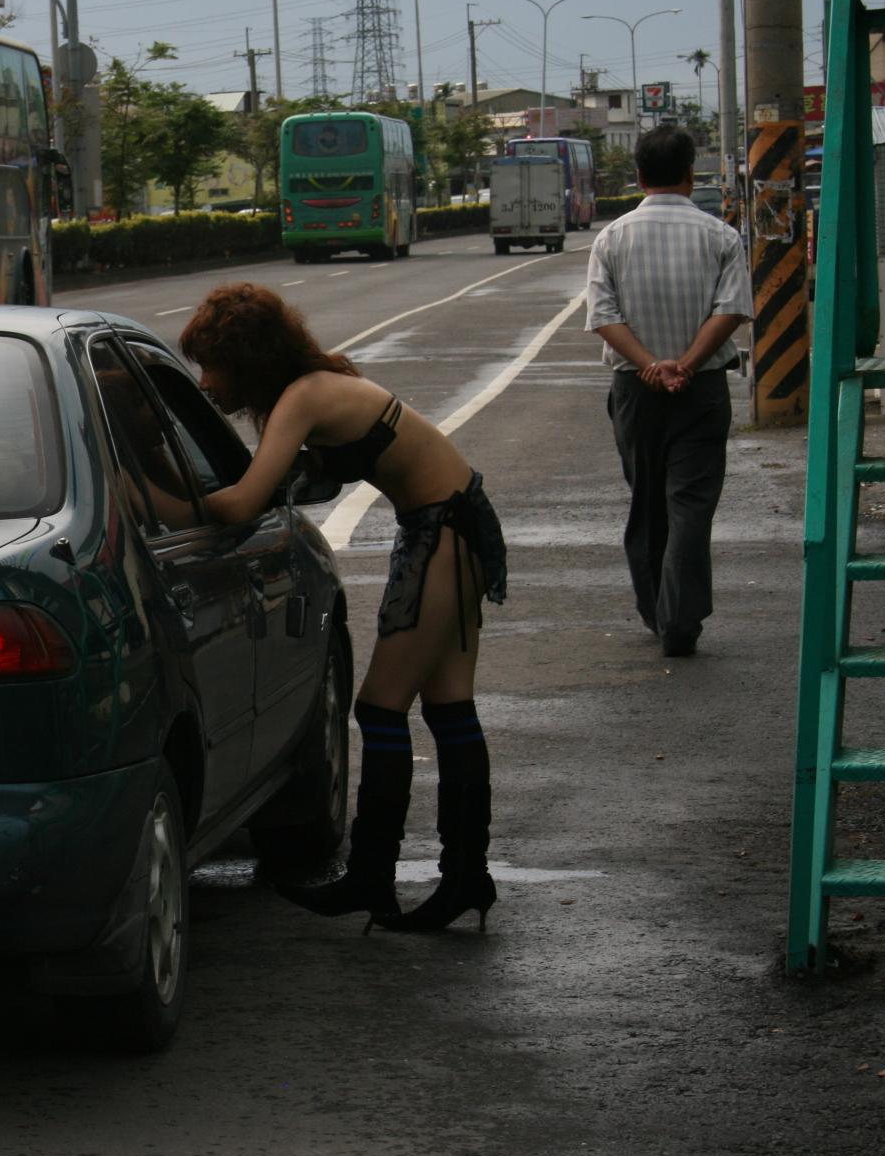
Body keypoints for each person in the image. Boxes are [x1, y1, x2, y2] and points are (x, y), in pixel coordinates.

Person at [181, 283, 508, 933]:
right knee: (448, 707)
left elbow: (241, 503)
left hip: (443, 528)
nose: (205, 382)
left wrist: (158, 498)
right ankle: (463, 876)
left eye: (211, 365)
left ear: (246, 361)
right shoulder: (315, 387)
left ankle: (375, 875)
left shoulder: (303, 397)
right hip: (451, 522)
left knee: (381, 708)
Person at [583, 125, 751, 658]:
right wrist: (687, 364)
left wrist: (652, 366)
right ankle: (680, 619)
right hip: (702, 390)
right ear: (690, 175)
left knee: (648, 501)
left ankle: (657, 610)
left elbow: (602, 317)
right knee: (691, 505)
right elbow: (731, 310)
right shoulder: (721, 236)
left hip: (636, 391)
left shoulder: (611, 238)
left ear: (638, 176)